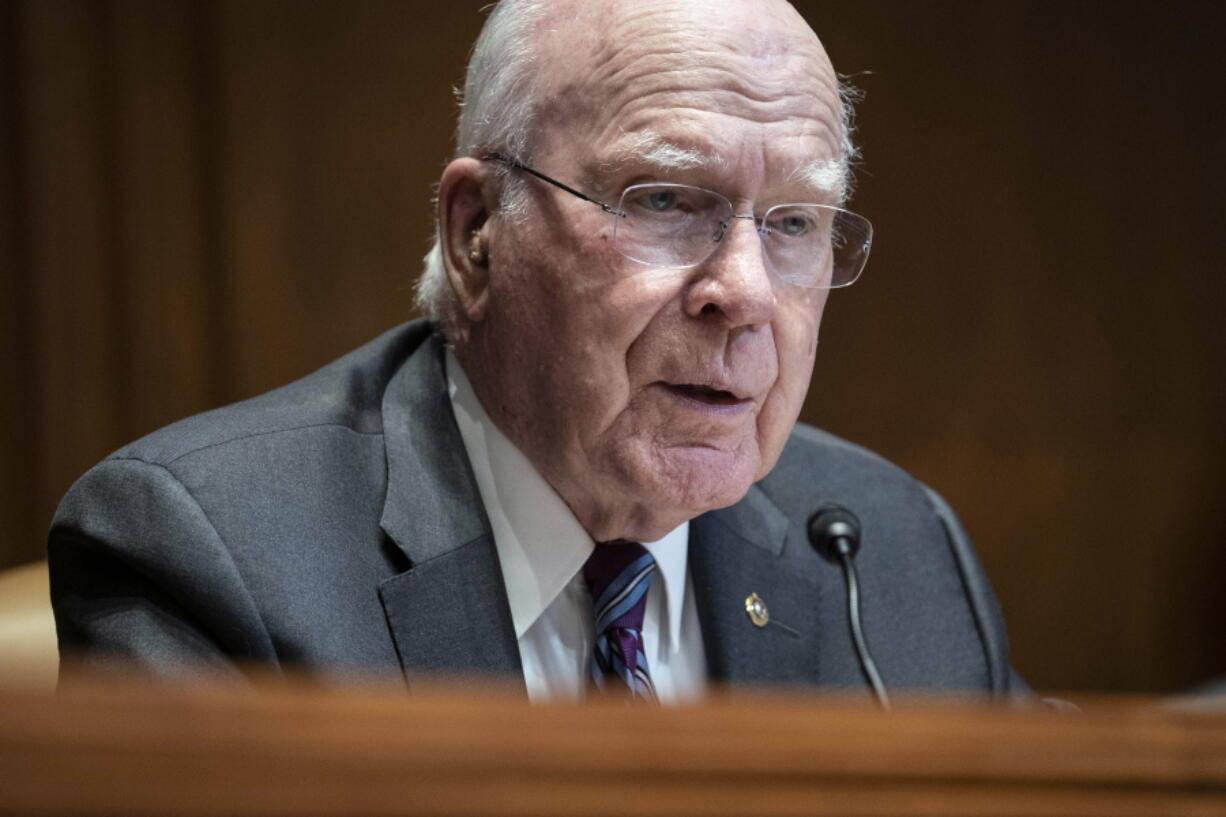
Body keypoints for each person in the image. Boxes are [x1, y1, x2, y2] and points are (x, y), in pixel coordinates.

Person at [49, 0, 1026, 702]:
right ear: (478, 230)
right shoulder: (214, 562)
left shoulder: (888, 551)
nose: (745, 294)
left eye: (793, 222)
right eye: (664, 200)